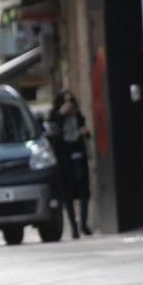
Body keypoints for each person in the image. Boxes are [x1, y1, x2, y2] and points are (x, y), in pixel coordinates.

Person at [46, 90, 92, 238]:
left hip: (79, 155)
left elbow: (85, 131)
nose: (68, 106)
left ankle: (83, 224)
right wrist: (60, 114)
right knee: (68, 194)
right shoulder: (55, 116)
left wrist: (85, 133)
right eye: (65, 102)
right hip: (64, 159)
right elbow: (52, 135)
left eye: (70, 102)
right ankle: (74, 227)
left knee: (83, 190)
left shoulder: (77, 116)